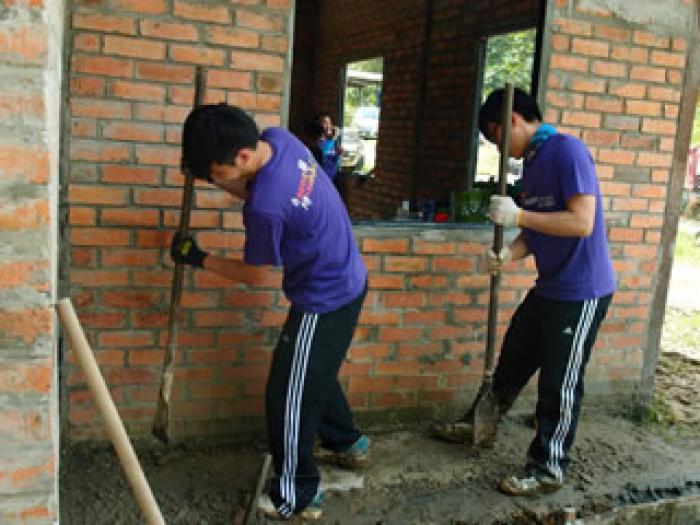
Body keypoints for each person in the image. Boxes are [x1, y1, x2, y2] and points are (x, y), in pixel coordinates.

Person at [172, 103, 369, 520]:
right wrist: (210, 173)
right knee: (312, 370)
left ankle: (298, 494)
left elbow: (257, 275)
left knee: (289, 393)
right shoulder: (279, 140)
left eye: (214, 174)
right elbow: (253, 186)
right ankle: (348, 442)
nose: (212, 182)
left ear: (241, 157)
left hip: (325, 296)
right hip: (348, 276)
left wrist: (198, 259)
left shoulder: (264, 209)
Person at [432, 88, 616, 496]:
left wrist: (519, 214)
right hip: (550, 287)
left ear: (514, 120)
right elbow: (535, 231)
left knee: (560, 381)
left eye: (498, 138)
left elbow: (581, 222)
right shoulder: (531, 166)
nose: (500, 150)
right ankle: (479, 424)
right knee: (514, 356)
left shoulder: (567, 152)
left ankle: (548, 466)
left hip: (582, 290)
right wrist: (509, 252)